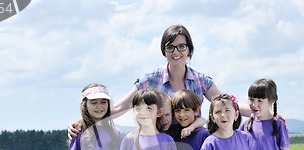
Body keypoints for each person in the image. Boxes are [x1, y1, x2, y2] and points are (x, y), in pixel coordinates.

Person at [67, 24, 255, 139]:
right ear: (164, 51)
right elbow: (121, 106)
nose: (176, 52)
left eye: (181, 46)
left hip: (192, 139)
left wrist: (264, 114)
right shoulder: (150, 80)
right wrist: (86, 121)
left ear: (189, 50)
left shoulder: (200, 80)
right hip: (159, 141)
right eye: (170, 47)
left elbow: (229, 104)